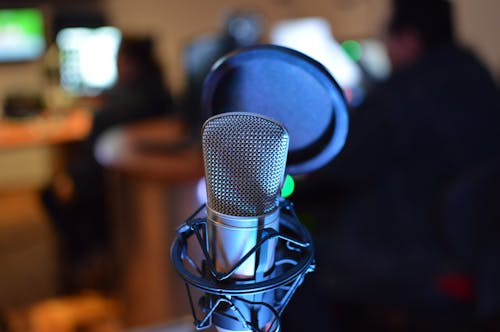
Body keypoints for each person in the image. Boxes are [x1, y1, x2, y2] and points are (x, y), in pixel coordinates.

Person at [284, 0, 500, 331]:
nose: (384, 46)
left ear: (409, 39)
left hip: (418, 258)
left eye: (388, 37)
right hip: (481, 261)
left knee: (291, 263)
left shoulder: (404, 93)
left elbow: (342, 169)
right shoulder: (481, 79)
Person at [42, 36, 176, 293]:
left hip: (101, 183)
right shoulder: (153, 91)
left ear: (131, 63)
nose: (116, 65)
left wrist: (70, 180)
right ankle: (89, 259)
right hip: (108, 178)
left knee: (51, 194)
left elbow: (92, 160)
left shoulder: (121, 105)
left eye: (119, 59)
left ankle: (85, 259)